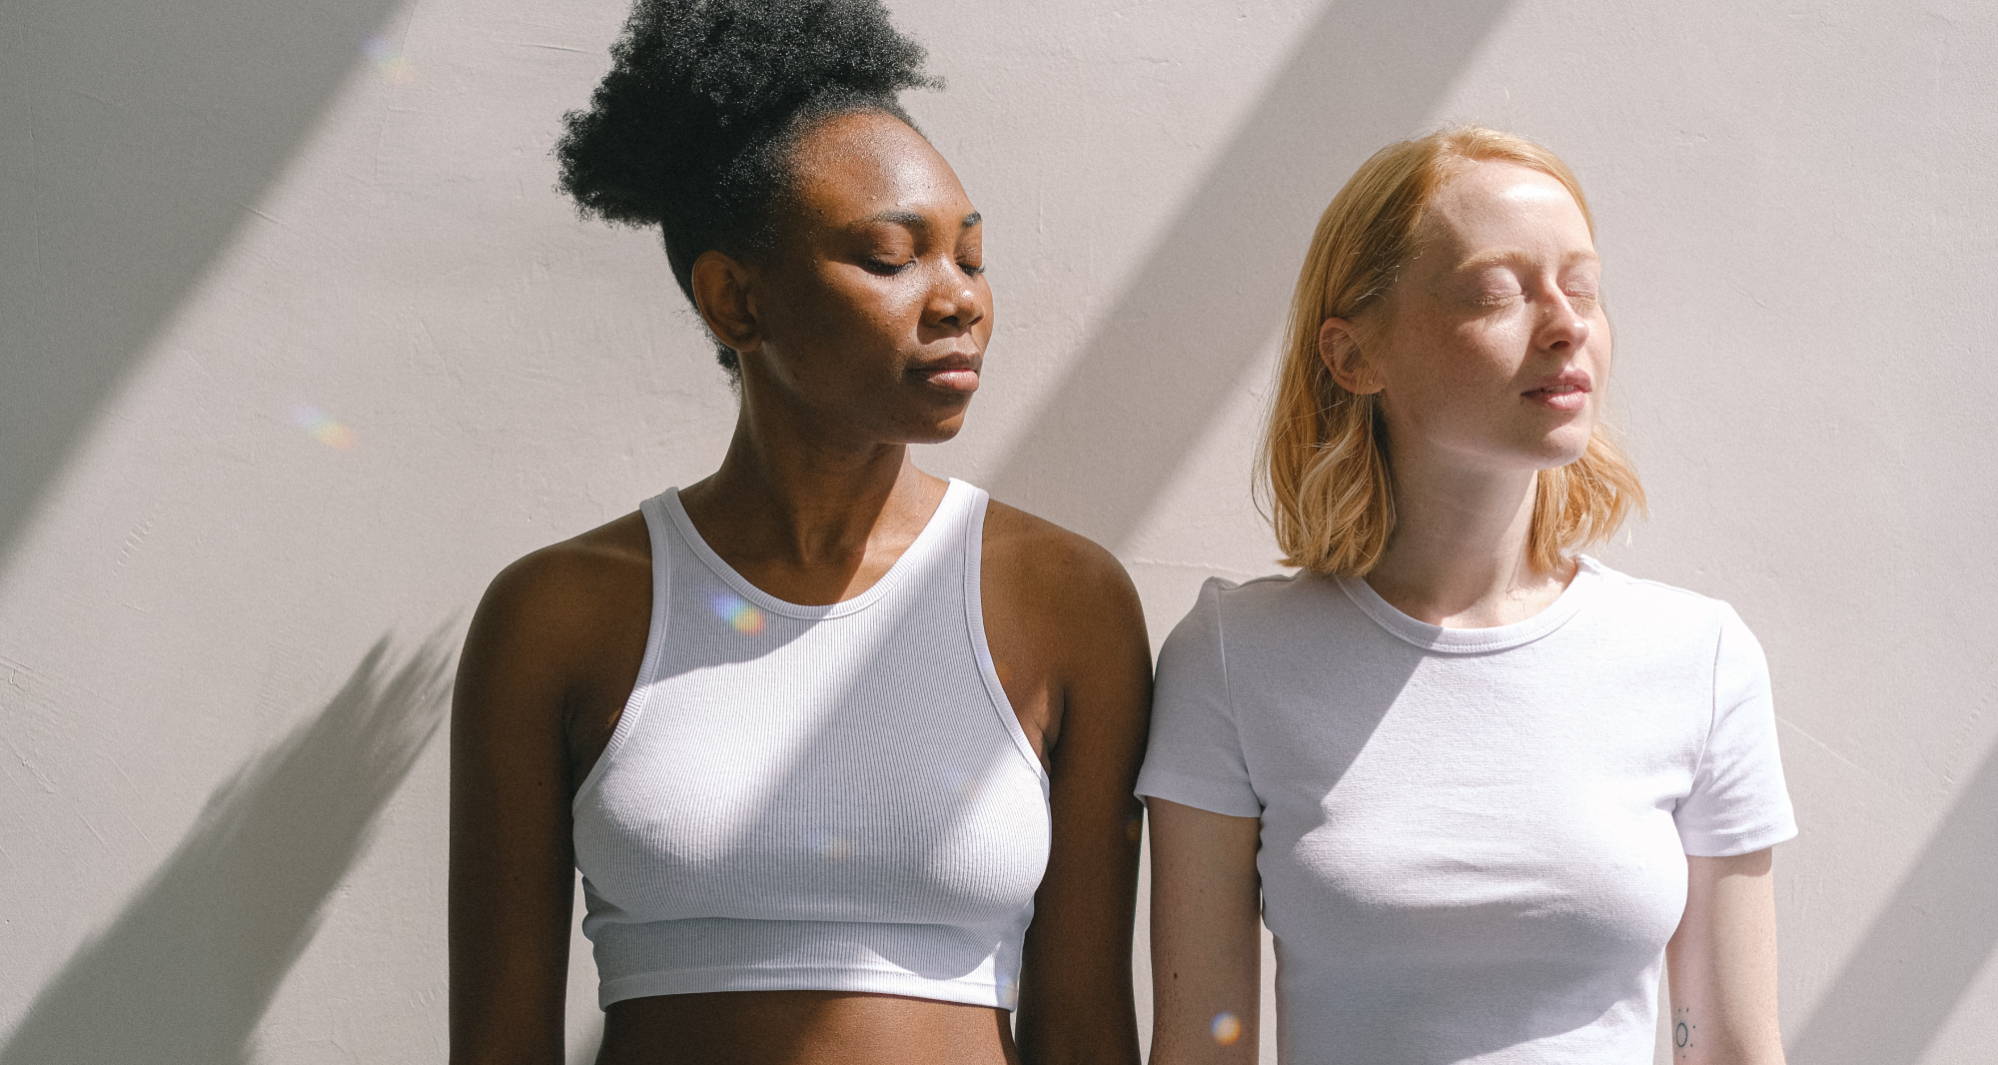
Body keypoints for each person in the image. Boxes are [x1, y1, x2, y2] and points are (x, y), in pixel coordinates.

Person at [447, 2, 1150, 1062]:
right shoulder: (558, 613)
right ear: (736, 300)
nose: (957, 299)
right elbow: (498, 1048)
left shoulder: (1064, 601)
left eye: (971, 256)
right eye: (889, 258)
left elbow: (1088, 1028)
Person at [1138, 127, 1797, 1065]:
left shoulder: (1698, 655)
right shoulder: (1234, 657)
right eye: (1500, 290)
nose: (1565, 323)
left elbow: (1731, 1047)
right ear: (1353, 353)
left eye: (1584, 286)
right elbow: (1202, 1046)